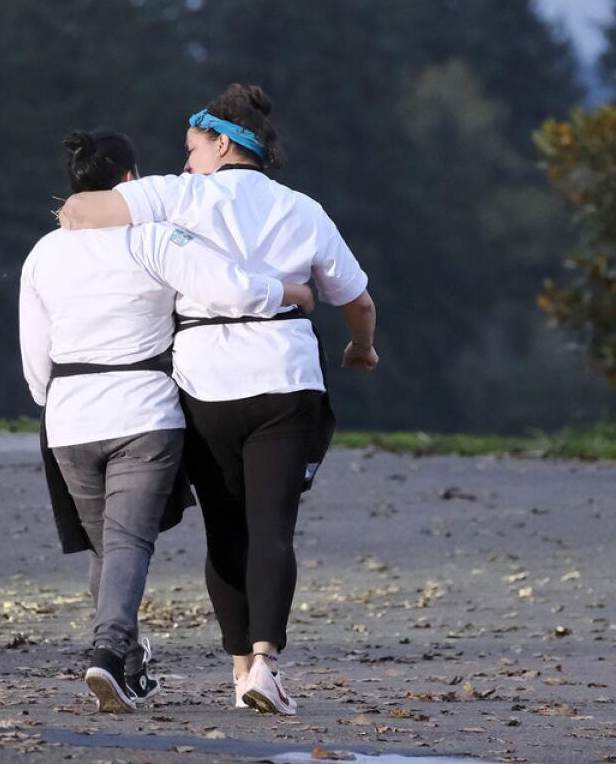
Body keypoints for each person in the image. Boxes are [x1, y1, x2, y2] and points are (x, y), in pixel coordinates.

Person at [58, 85, 378, 715]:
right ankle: (264, 665)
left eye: (191, 149)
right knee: (273, 529)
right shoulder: (305, 209)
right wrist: (361, 349)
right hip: (285, 380)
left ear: (222, 143)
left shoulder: (178, 197)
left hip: (205, 386)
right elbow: (358, 302)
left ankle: (238, 672)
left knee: (225, 530)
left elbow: (79, 209)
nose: (184, 163)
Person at [20, 128, 315, 714]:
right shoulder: (153, 239)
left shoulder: (43, 252)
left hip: (70, 416)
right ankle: (106, 655)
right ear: (131, 182)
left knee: (108, 547)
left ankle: (127, 667)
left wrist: (53, 404)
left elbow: (35, 355)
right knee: (127, 543)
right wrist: (290, 292)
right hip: (142, 410)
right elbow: (230, 289)